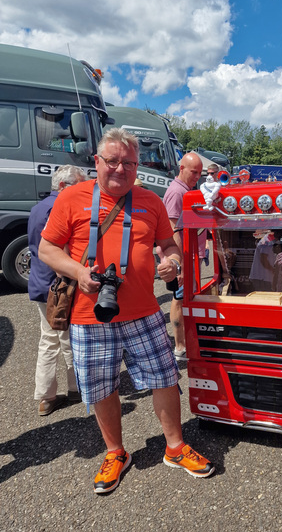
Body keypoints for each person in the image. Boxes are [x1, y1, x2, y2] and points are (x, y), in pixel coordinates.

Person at [39, 128, 214, 494]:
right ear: (97, 162)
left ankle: (175, 447)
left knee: (165, 378)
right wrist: (78, 272)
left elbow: (169, 244)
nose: (121, 168)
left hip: (144, 311)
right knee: (102, 388)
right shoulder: (72, 197)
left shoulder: (150, 201)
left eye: (129, 162)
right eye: (113, 161)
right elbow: (46, 250)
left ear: (138, 165)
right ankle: (116, 452)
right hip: (90, 315)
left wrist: (171, 261)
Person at [28, 165, 87, 416]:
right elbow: (61, 254)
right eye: (78, 185)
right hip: (60, 286)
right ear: (63, 186)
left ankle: (46, 396)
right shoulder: (59, 208)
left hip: (40, 283)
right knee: (68, 338)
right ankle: (77, 389)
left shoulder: (37, 207)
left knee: (49, 339)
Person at [163, 152, 204, 361]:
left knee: (184, 298)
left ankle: (184, 344)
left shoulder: (186, 190)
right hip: (182, 258)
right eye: (193, 172)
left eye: (199, 173)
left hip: (188, 256)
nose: (197, 176)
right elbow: (173, 230)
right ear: (182, 168)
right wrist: (180, 265)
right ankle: (179, 348)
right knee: (179, 299)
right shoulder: (177, 192)